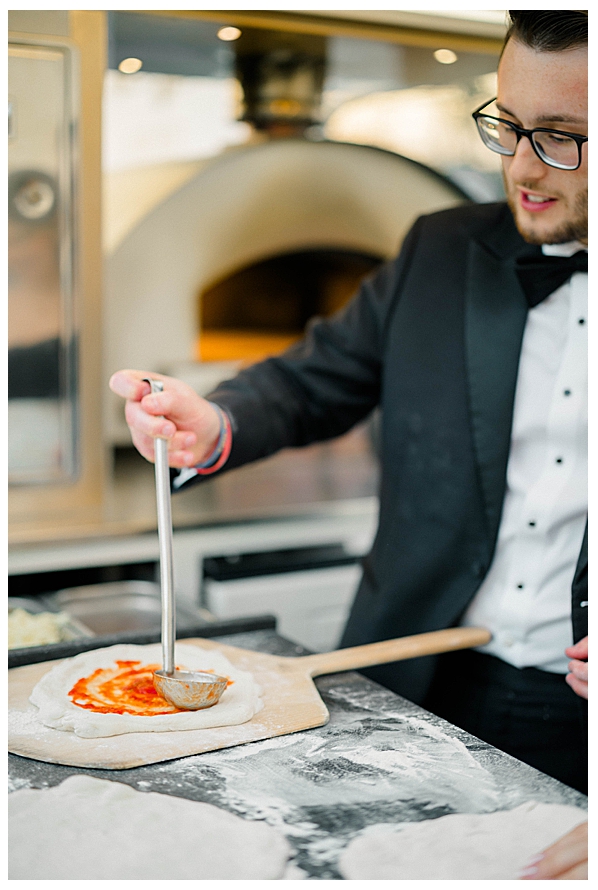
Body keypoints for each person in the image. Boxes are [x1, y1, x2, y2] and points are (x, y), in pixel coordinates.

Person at [110, 11, 588, 878]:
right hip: (410, 684)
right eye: (509, 125)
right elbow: (308, 381)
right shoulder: (441, 250)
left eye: (562, 139)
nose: (520, 166)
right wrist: (212, 422)